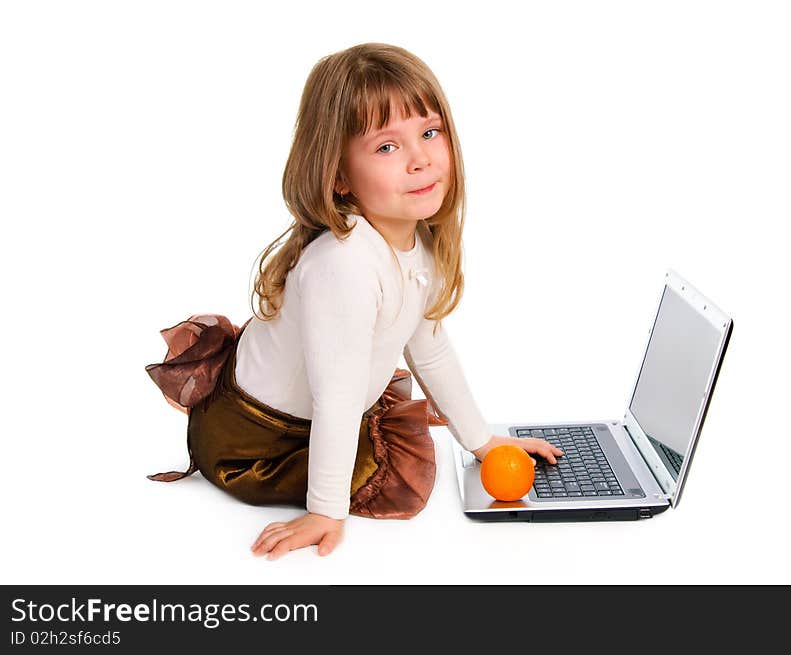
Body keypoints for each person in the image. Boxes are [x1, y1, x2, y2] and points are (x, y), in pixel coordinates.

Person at [145, 42, 563, 560]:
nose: (421, 159)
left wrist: (484, 443)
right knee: (373, 453)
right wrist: (326, 509)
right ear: (338, 176)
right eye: (387, 147)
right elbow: (338, 398)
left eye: (430, 132)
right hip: (260, 444)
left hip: (319, 411)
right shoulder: (344, 264)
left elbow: (429, 348)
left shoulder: (417, 241)